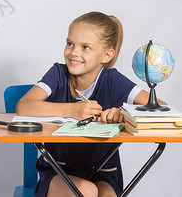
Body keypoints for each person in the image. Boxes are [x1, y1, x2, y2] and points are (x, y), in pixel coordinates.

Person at [16, 11, 165, 197]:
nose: (74, 52)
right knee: (86, 191)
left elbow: (161, 109)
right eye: (70, 43)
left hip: (104, 173)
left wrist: (123, 113)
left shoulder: (113, 81)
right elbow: (24, 105)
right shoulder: (57, 74)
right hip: (57, 173)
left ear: (106, 55)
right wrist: (73, 110)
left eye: (85, 47)